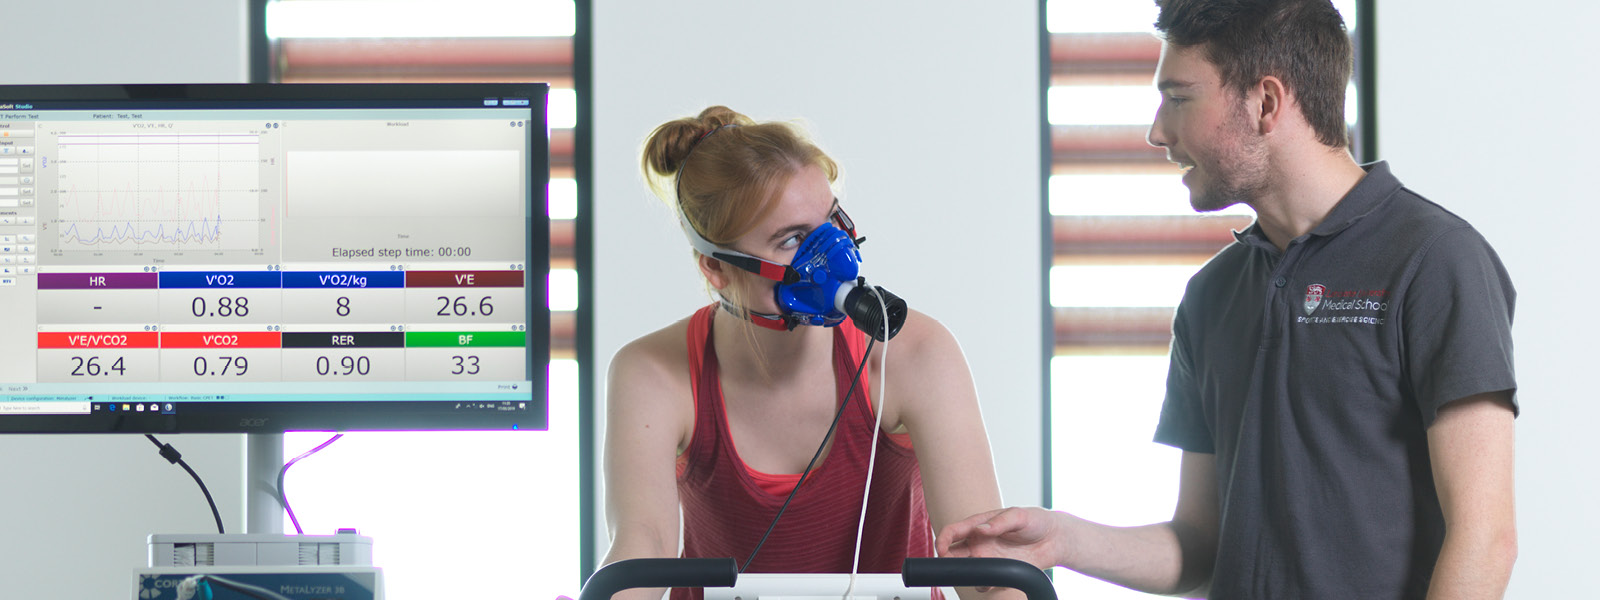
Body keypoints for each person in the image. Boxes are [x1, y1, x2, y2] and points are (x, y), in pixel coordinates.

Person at [937, 1, 1518, 598]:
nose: (1157, 131)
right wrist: (1062, 539)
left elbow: (1484, 535)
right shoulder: (1210, 296)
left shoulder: (1436, 260)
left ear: (1265, 103)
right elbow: (1201, 546)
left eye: (1179, 97)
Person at [601, 106, 1012, 600]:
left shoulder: (911, 354)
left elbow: (980, 565)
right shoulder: (652, 373)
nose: (832, 252)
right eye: (792, 239)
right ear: (716, 268)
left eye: (831, 221)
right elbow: (644, 546)